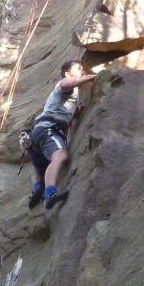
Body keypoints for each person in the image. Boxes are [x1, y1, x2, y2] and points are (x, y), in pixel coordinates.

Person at [27, 59, 96, 210]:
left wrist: (77, 116)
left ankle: (38, 187)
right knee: (60, 156)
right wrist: (91, 77)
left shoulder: (70, 98)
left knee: (42, 167)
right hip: (49, 129)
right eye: (79, 69)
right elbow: (66, 84)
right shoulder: (65, 85)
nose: (82, 71)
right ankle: (50, 194)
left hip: (38, 133)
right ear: (67, 73)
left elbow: (72, 123)